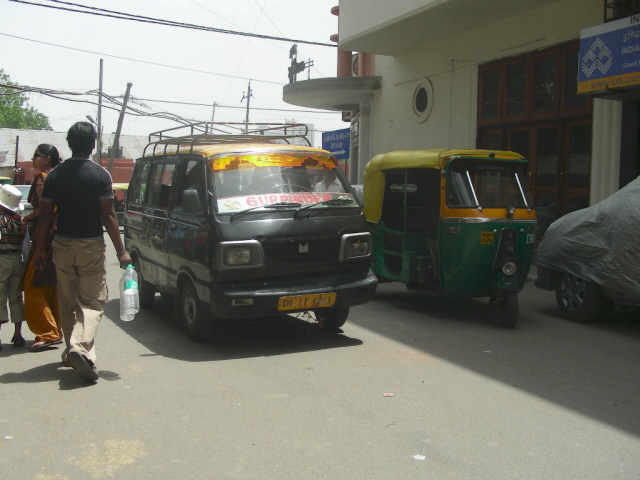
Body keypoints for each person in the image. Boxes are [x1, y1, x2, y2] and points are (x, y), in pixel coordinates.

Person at [33, 121, 131, 383]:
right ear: (92, 145)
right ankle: (78, 347)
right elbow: (109, 214)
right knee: (92, 302)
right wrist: (121, 251)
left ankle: (74, 352)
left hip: (62, 245)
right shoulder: (101, 175)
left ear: (69, 143)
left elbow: (44, 218)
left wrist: (39, 251)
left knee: (67, 303)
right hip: (90, 245)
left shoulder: (54, 176)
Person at [21, 144, 63, 351]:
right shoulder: (60, 176)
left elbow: (42, 211)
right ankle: (55, 329)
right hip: (59, 238)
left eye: (36, 156)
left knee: (32, 287)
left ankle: (48, 332)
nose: (32, 160)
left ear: (46, 159)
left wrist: (23, 219)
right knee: (51, 285)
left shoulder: (43, 178)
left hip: (44, 239)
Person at [0, 185, 26, 350]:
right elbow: (26, 245)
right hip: (17, 258)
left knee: (0, 298)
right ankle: (18, 334)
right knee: (16, 297)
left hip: (1, 259)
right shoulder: (20, 220)